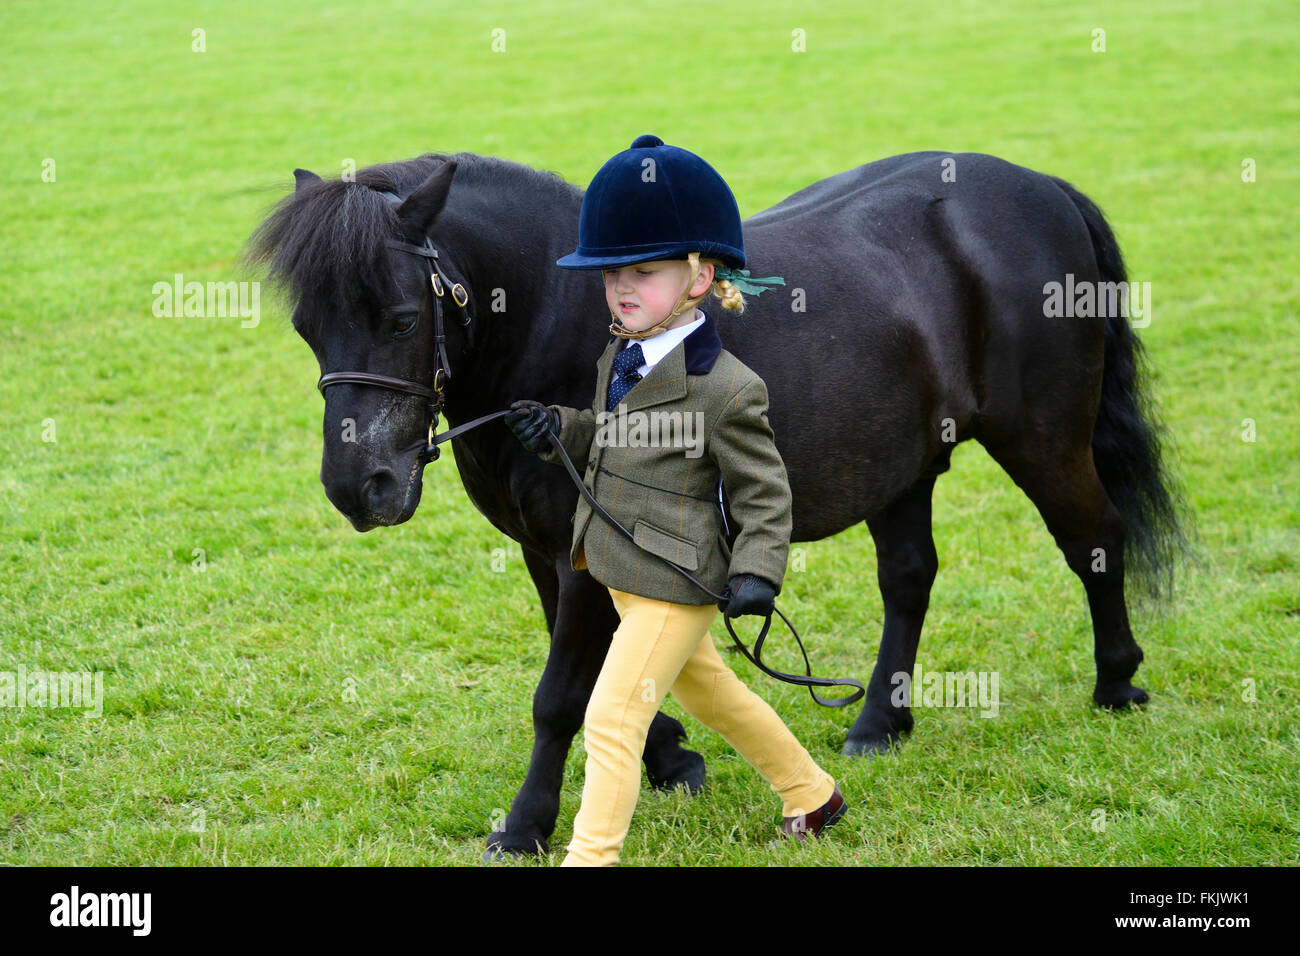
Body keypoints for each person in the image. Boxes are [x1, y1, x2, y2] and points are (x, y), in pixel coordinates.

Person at [505, 134, 846, 866]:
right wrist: (558, 426)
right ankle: (812, 793)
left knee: (613, 718)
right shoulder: (620, 353)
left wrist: (758, 571)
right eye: (610, 275)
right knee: (712, 698)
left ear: (700, 278)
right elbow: (610, 433)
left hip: (675, 583)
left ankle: (590, 858)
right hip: (619, 566)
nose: (622, 289)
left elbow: (763, 490)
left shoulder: (728, 388)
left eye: (643, 273)